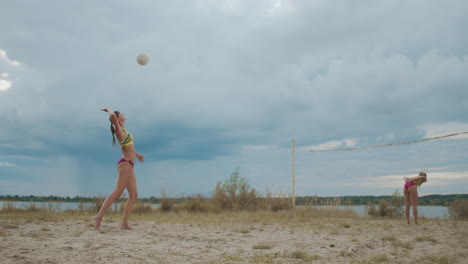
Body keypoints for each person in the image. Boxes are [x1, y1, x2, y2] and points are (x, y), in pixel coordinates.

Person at [94, 108, 144, 230]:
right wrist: (109, 110)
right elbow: (112, 117)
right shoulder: (118, 129)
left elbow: (128, 148)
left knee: (134, 195)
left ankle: (124, 224)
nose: (123, 114)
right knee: (117, 192)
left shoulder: (124, 130)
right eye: (120, 113)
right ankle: (98, 217)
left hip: (129, 164)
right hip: (125, 164)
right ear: (117, 118)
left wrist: (137, 155)